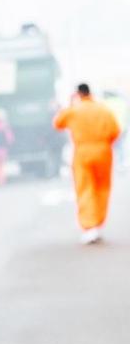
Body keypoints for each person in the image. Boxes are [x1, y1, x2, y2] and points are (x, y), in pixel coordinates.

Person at [53, 82, 119, 241]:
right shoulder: (103, 109)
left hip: (82, 152)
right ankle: (98, 222)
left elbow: (58, 123)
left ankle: (90, 226)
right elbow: (115, 130)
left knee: (85, 188)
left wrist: (69, 104)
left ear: (78, 94)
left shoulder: (74, 110)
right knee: (102, 188)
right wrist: (104, 143)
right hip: (103, 151)